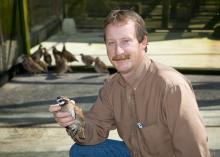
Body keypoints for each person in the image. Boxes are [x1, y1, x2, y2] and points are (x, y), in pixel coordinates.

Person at [49, 9, 211, 157]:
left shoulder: (171, 86)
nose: (118, 51)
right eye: (111, 43)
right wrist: (73, 121)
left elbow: (194, 149)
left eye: (126, 41)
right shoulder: (112, 87)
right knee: (81, 151)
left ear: (143, 42)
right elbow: (94, 132)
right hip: (136, 153)